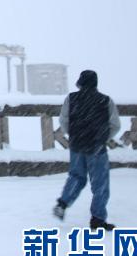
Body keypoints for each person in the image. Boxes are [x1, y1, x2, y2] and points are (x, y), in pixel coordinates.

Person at [52, 70, 121, 230]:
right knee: (100, 183)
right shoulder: (105, 100)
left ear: (80, 82)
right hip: (97, 147)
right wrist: (103, 137)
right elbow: (115, 124)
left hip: (77, 145)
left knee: (76, 177)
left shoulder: (71, 98)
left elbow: (63, 120)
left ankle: (62, 204)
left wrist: (74, 134)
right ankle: (97, 218)